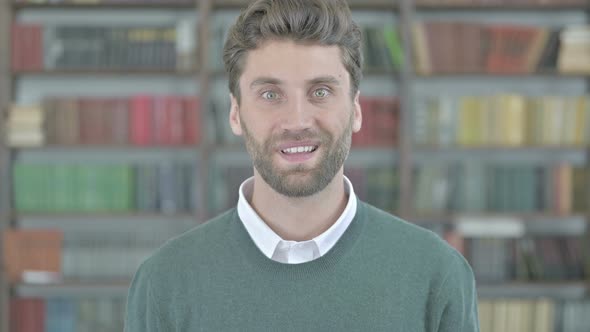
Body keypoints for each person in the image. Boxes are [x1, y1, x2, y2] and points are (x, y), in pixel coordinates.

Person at [125, 0, 480, 331]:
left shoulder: (437, 274)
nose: (296, 121)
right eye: (270, 94)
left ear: (356, 109)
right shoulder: (164, 283)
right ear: (235, 113)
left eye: (321, 91)